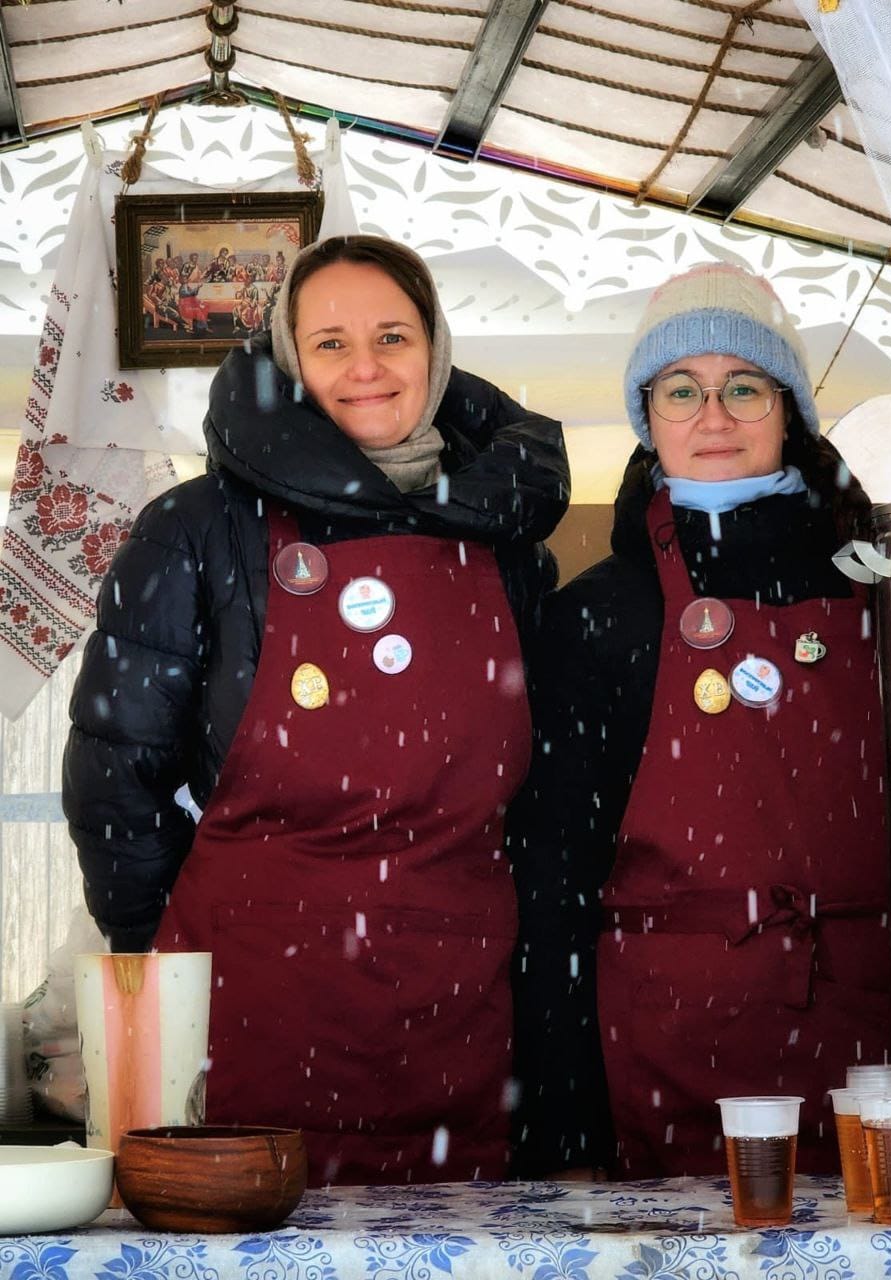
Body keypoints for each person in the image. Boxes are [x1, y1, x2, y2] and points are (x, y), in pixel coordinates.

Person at [64, 234, 570, 1186]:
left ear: (437, 351)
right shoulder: (197, 529)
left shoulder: (510, 547)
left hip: (453, 1007)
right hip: (244, 1006)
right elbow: (115, 779)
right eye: (330, 342)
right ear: (289, 360)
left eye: (393, 337)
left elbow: (542, 800)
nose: (365, 367)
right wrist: (166, 971)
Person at [508, 262, 891, 1179]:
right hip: (672, 1044)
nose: (713, 415)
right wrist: (565, 1123)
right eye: (681, 390)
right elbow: (553, 879)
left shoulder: (880, 585)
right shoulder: (600, 614)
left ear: (789, 410)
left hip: (869, 1047)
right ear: (648, 418)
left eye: (744, 386)